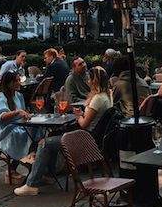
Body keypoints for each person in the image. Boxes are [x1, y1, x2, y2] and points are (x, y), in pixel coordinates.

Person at [14, 66, 113, 195]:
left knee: (45, 143)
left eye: (90, 79)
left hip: (85, 140)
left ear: (94, 81)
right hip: (93, 138)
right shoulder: (107, 96)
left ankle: (32, 184)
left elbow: (83, 124)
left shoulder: (97, 99)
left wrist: (78, 115)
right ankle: (48, 174)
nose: (88, 81)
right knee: (50, 139)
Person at [0, 72, 36, 185]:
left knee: (35, 131)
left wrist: (27, 115)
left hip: (17, 124)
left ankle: (33, 164)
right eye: (16, 80)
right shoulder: (1, 97)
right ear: (10, 83)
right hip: (2, 129)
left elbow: (22, 113)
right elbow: (2, 116)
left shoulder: (18, 95)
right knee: (22, 135)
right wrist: (17, 112)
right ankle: (30, 168)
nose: (19, 83)